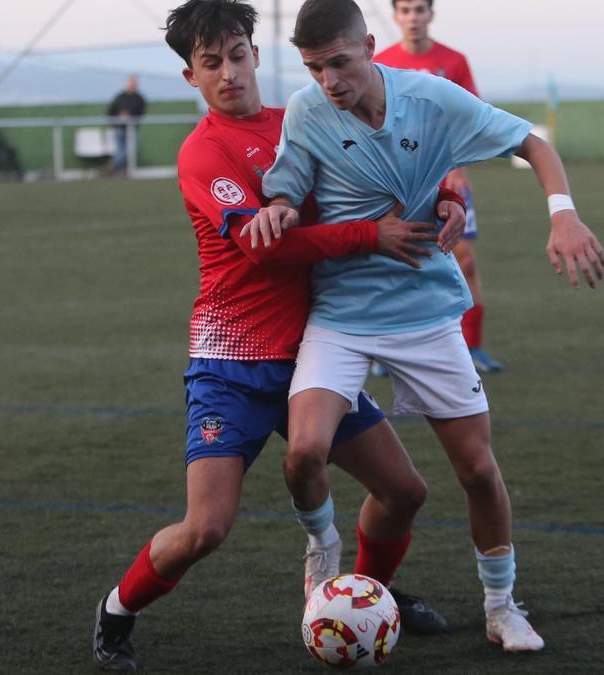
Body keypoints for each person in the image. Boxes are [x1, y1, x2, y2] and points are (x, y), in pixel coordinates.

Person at [91, 1, 464, 670]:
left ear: (257, 56)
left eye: (238, 55)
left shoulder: (304, 120)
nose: (230, 72)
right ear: (191, 79)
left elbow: (373, 175)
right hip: (230, 365)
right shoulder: (203, 153)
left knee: (405, 491)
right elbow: (267, 247)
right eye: (212, 64)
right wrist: (367, 234)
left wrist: (442, 195)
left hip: (313, 355)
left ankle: (368, 593)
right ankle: (117, 609)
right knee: (207, 527)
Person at [245, 0, 604, 653]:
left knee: (476, 468)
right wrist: (275, 210)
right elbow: (287, 190)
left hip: (425, 311)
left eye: (340, 62)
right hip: (342, 314)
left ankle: (501, 606)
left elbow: (532, 141)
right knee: (302, 452)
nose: (328, 79)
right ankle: (323, 546)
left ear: (370, 46)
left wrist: (562, 214)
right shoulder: (306, 111)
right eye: (314, 67)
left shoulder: (431, 97)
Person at [374, 0, 503, 374]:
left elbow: (468, 117)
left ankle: (472, 346)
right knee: (394, 265)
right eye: (406, 11)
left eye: (419, 9)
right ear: (396, 17)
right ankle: (387, 352)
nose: (413, 17)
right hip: (397, 182)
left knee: (465, 261)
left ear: (430, 14)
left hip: (446, 178)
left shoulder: (454, 61)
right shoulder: (381, 61)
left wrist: (459, 167)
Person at [107, 75, 146, 175]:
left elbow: (141, 112)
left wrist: (130, 116)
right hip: (119, 128)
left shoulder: (139, 98)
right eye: (131, 82)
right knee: (121, 150)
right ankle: (119, 170)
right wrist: (119, 118)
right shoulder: (120, 96)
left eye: (134, 82)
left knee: (130, 150)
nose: (132, 84)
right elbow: (111, 111)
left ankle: (113, 166)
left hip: (132, 129)